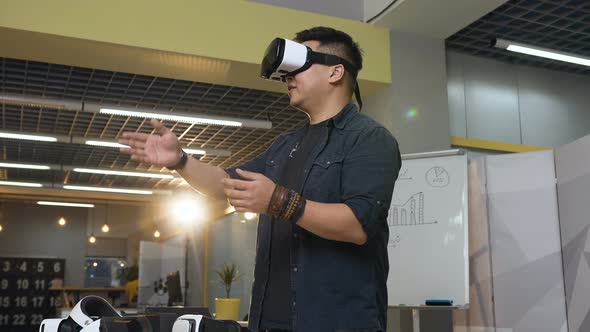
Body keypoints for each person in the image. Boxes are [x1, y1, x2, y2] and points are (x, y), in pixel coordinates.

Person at [120, 26, 401, 332]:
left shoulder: (369, 139)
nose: (287, 77)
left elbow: (358, 225)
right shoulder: (284, 146)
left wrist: (279, 201)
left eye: (299, 66)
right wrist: (181, 161)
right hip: (268, 323)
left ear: (335, 73)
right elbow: (226, 184)